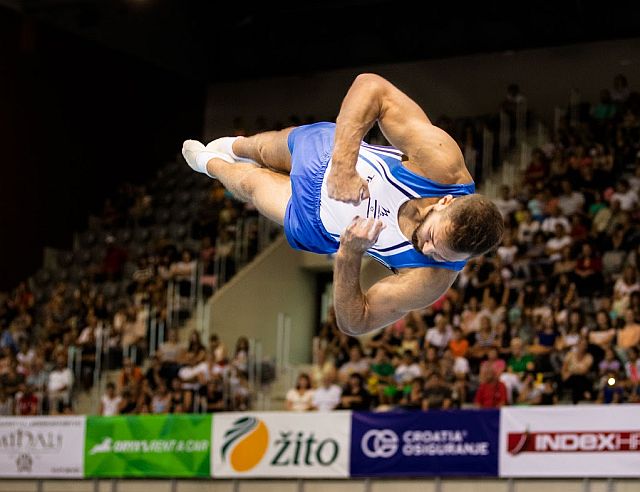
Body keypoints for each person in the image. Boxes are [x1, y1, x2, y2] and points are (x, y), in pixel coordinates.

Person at [183, 73, 504, 335]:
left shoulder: (432, 279)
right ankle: (235, 145)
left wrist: (349, 256)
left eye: (443, 256)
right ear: (445, 202)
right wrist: (343, 167)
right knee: (260, 149)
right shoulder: (443, 165)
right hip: (328, 153)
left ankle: (209, 164)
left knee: (250, 184)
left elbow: (356, 323)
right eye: (433, 238)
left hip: (316, 219)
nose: (429, 250)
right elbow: (371, 86)